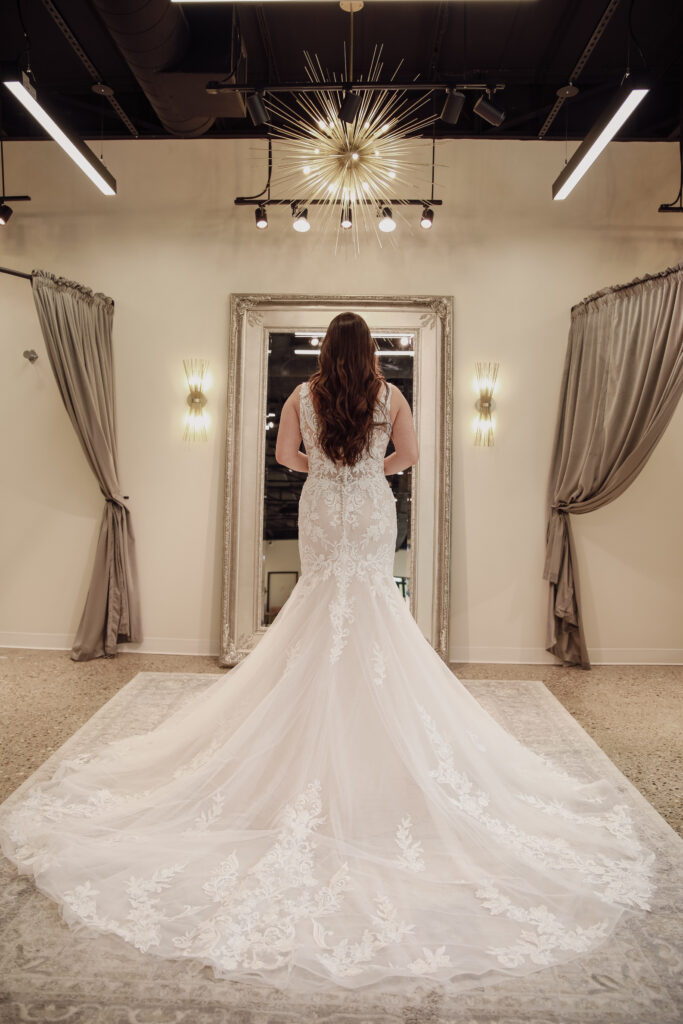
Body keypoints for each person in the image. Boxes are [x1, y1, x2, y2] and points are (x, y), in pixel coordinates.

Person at [0, 312, 655, 996]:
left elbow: (284, 460)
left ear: (325, 351)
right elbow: (410, 457)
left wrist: (324, 465)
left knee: (318, 600)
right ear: (368, 351)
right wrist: (368, 466)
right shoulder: (391, 395)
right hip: (370, 507)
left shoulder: (299, 397)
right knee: (370, 601)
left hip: (321, 508)